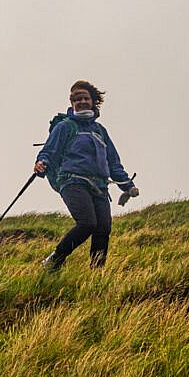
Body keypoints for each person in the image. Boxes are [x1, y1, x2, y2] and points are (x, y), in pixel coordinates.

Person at [34, 80, 139, 270]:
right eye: (76, 99)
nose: (81, 102)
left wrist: (128, 186)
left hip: (100, 186)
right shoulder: (65, 126)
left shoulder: (100, 131)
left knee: (103, 228)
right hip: (72, 181)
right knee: (87, 223)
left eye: (85, 98)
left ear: (92, 101)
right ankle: (54, 260)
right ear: (72, 103)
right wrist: (42, 162)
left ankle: (96, 275)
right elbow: (49, 150)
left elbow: (114, 163)